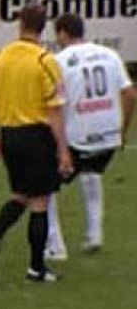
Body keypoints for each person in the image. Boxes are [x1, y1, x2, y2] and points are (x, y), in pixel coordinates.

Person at [0, 3, 73, 283]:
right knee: (40, 201)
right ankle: (36, 269)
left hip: (9, 135)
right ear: (44, 28)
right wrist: (64, 150)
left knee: (20, 194)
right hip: (36, 136)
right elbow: (54, 110)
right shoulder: (45, 61)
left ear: (19, 24)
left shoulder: (1, 57)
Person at [44, 13, 135, 260]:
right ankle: (94, 234)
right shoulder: (110, 54)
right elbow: (130, 95)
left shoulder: (58, 61)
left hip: (79, 136)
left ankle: (55, 245)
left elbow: (55, 105)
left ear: (63, 33)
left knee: (45, 186)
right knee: (91, 173)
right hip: (108, 134)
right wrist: (123, 129)